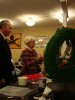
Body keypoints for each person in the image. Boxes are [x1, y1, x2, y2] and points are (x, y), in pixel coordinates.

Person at [0, 20, 14, 88]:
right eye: (10, 28)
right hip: (2, 76)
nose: (11, 30)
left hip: (7, 73)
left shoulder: (4, 39)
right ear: (3, 27)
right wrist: (0, 77)